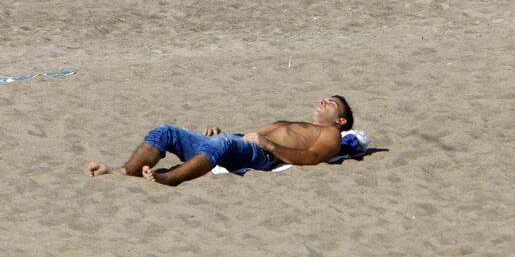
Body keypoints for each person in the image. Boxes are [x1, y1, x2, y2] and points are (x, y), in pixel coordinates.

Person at [86, 95, 354, 186]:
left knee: (223, 144)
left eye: (331, 102)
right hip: (239, 143)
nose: (323, 101)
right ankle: (123, 172)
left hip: (263, 154)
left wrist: (269, 144)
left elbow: (312, 158)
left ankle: (170, 178)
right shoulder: (300, 125)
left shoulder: (330, 134)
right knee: (165, 130)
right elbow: (243, 139)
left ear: (340, 121)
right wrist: (218, 134)